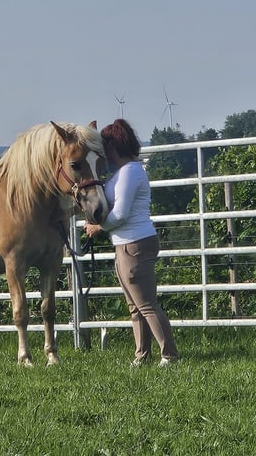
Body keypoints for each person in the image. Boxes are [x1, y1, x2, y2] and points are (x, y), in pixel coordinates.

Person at [85, 119, 179, 367]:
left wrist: (98, 227)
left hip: (134, 243)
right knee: (135, 306)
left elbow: (121, 214)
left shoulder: (130, 173)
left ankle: (169, 355)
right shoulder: (124, 172)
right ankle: (142, 354)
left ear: (115, 147)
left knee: (146, 304)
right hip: (126, 244)